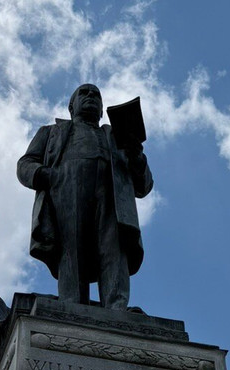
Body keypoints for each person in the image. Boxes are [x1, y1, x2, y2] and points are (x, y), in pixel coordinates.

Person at [17, 84, 153, 310]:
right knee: (71, 247)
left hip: (111, 195)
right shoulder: (51, 132)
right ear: (72, 107)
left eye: (96, 95)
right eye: (85, 93)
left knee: (113, 249)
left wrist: (136, 155)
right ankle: (72, 305)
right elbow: (25, 163)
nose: (91, 96)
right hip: (66, 191)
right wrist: (47, 175)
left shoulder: (116, 136)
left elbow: (144, 185)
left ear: (102, 110)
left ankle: (116, 307)